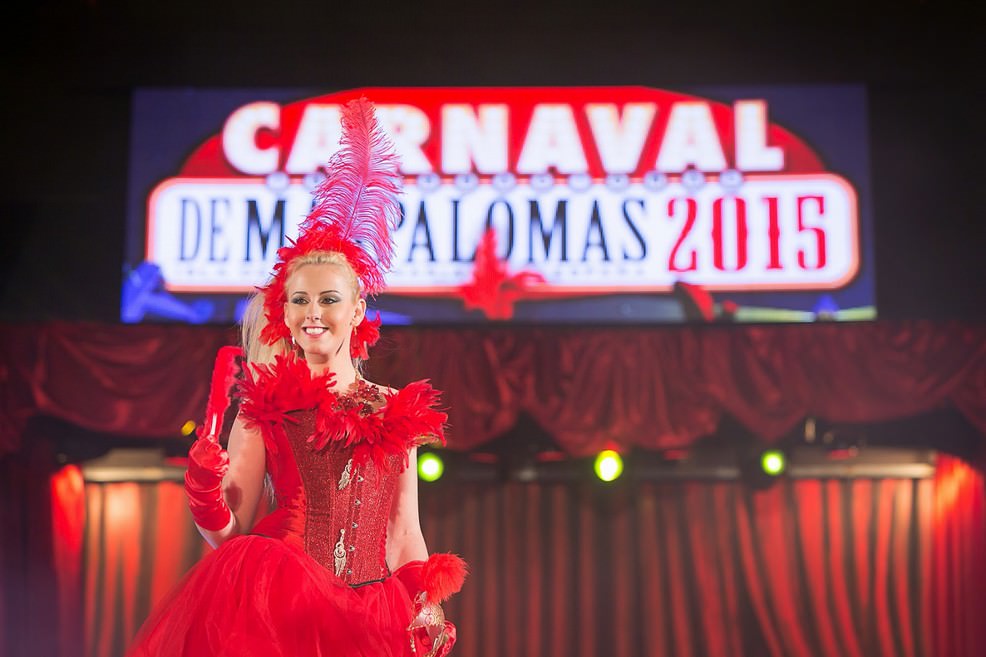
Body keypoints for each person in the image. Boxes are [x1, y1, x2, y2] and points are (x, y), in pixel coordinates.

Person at [127, 98, 466, 657]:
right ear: (283, 313)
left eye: (329, 299)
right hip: (276, 605)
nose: (313, 312)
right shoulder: (265, 403)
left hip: (370, 614)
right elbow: (227, 533)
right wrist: (203, 491)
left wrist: (424, 602)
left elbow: (404, 532)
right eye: (299, 300)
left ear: (357, 312)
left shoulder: (393, 408)